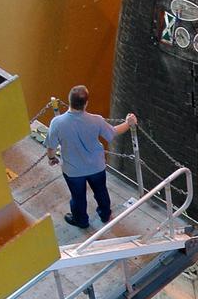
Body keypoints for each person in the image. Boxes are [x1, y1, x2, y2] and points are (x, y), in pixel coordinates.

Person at [46, 86, 136, 229]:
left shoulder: (57, 123)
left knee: (78, 197)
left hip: (73, 171)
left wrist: (52, 158)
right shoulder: (97, 120)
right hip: (97, 167)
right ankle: (105, 215)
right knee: (101, 192)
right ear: (86, 103)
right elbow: (112, 133)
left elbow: (51, 147)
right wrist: (128, 123)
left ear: (69, 100)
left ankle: (81, 221)